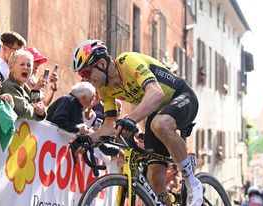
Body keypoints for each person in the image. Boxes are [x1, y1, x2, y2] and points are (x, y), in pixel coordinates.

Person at [72, 39, 201, 206]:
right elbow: (109, 125)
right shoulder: (104, 89)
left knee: (159, 124)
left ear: (102, 63)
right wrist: (90, 138)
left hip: (181, 96)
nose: (85, 79)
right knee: (154, 177)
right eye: (82, 75)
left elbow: (156, 93)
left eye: (87, 73)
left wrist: (130, 119)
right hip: (158, 111)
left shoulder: (127, 62)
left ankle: (192, 182)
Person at [1, 49, 46, 120]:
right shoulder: (8, 85)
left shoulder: (25, 88)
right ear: (11, 68)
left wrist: (41, 111)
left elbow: (37, 105)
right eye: (22, 64)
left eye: (29, 65)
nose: (26, 67)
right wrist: (36, 112)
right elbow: (22, 111)